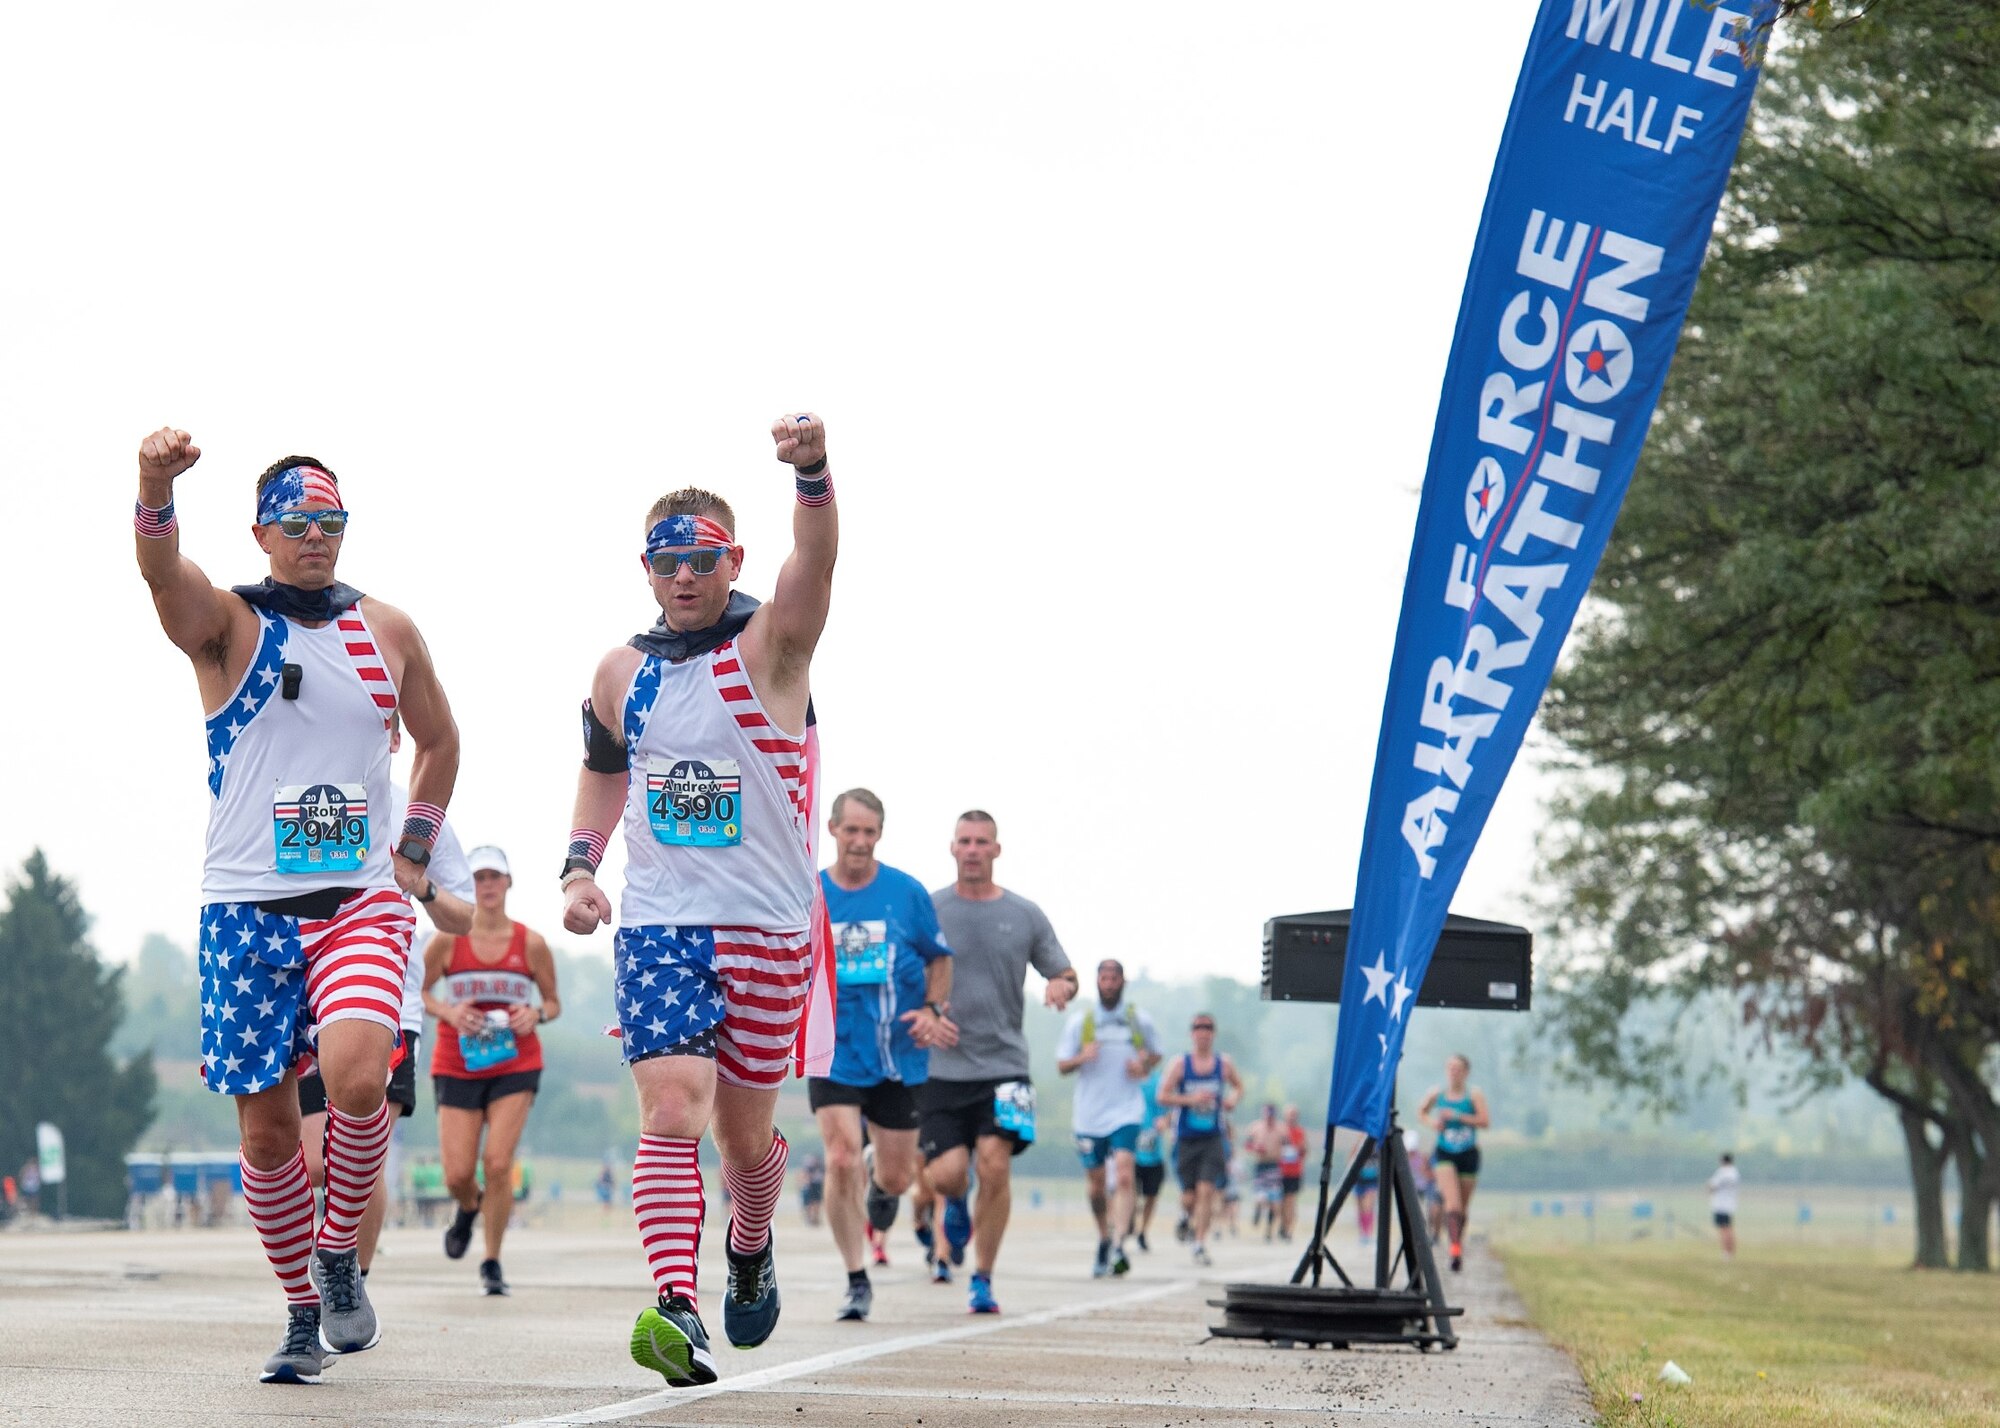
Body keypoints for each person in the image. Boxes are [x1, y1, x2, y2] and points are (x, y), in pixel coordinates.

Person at [133, 430, 458, 1384]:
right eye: (296, 522)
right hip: (245, 907)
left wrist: (412, 851)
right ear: (263, 533)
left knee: (359, 1080)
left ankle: (335, 1255)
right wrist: (154, 485)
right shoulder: (230, 626)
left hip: (357, 901)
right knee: (268, 1135)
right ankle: (299, 1309)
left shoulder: (388, 631)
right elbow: (161, 576)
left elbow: (440, 742)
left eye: (330, 521)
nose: (315, 537)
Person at [558, 414, 838, 1387]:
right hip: (660, 926)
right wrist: (579, 868)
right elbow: (601, 776)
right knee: (672, 1106)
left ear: (732, 560)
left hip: (766, 928)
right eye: (666, 559)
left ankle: (749, 1243)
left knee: (744, 1137)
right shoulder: (616, 674)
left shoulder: (772, 648)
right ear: (644, 566)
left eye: (702, 558)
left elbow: (814, 564)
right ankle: (675, 1305)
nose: (684, 575)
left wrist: (811, 473)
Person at [297, 719, 475, 1283]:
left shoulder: (416, 812)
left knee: (359, 1152)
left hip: (391, 1005)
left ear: (394, 740)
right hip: (304, 1000)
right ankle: (319, 1274)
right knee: (311, 1161)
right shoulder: (298, 797)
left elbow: (463, 916)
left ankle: (350, 1284)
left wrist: (418, 883)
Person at [922, 811, 1077, 1314]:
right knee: (947, 1177)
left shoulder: (1025, 914)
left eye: (981, 841)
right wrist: (922, 1015)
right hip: (940, 1067)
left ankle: (982, 1279)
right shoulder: (929, 908)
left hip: (1006, 1065)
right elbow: (897, 971)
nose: (972, 849)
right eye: (964, 841)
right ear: (952, 848)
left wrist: (1060, 984)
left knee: (996, 1166)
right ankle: (955, 1205)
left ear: (996, 850)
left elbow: (1067, 973)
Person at [811, 786, 955, 1321]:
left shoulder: (906, 893)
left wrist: (934, 1010)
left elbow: (940, 959)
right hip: (834, 1049)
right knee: (839, 1156)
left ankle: (881, 1176)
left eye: (869, 832)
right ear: (832, 830)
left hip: (898, 1055)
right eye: (851, 830)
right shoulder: (811, 891)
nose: (860, 841)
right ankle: (856, 1278)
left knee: (897, 1178)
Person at [424, 846, 559, 1296]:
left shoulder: (531, 943)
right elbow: (420, 993)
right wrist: (448, 1011)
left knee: (498, 1163)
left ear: (508, 883)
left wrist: (533, 1015)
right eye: (478, 877)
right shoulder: (447, 939)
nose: (486, 886)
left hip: (515, 1064)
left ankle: (491, 1261)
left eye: (494, 877)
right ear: (468, 883)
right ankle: (467, 1207)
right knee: (458, 1174)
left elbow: (553, 1004)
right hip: (457, 1063)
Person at [1055, 959, 1161, 1278]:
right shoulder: (1082, 1022)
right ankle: (1103, 1236)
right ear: (1097, 982)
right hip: (1089, 1114)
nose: (1110, 983)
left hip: (1126, 1110)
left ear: (1123, 982)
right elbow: (1061, 1065)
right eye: (1104, 977)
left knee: (1126, 1174)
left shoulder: (1137, 1021)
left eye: (1115, 977)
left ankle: (1119, 1244)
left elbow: (1155, 1055)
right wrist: (1082, 1058)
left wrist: (1143, 1067)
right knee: (1096, 1183)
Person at [1157, 1013, 1242, 1266]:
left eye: (1208, 1028)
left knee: (1207, 1190)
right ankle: (1184, 1215)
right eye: (1198, 1028)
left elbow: (1238, 1087)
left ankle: (1200, 1243)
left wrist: (1231, 1101)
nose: (1203, 1032)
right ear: (1191, 1033)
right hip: (1186, 1138)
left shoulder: (1223, 1064)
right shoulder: (1180, 1065)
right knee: (1190, 1195)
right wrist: (1191, 1100)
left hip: (1213, 1137)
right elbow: (1162, 1096)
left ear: (1213, 1033)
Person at [1419, 1053, 1490, 1272]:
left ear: (1466, 1072)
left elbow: (1485, 1122)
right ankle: (1455, 1252)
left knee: (1463, 1209)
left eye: (1458, 1068)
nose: (1454, 1072)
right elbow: (1422, 1112)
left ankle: (1457, 1243)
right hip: (1444, 1153)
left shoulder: (1473, 1095)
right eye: (1450, 1067)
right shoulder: (1437, 1094)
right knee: (1453, 1205)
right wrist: (1433, 1123)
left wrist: (1458, 1117)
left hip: (1468, 1154)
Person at [1131, 1068, 1169, 1252]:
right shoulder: (1127, 1077)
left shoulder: (1160, 1081)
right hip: (1130, 1148)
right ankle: (1126, 1221)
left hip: (1154, 1150)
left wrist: (1165, 1121)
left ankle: (1142, 1231)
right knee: (1128, 1191)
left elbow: (1171, 1109)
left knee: (1151, 1196)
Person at [1244, 1105, 1285, 1241]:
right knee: (1261, 1197)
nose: (1269, 1119)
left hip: (1274, 1166)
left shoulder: (1281, 1130)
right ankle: (1257, 1210)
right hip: (1260, 1166)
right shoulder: (1255, 1127)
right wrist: (1255, 1147)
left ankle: (1269, 1230)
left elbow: (1289, 1147)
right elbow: (1247, 1145)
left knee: (1273, 1202)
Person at [1276, 1105, 1309, 1242]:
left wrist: (1301, 1148)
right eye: (1289, 1114)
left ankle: (1289, 1229)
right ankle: (1282, 1226)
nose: (1291, 1117)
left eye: (1294, 1114)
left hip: (1294, 1172)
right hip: (1280, 1171)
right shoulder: (1280, 1131)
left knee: (1290, 1200)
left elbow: (1305, 1151)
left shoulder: (1300, 1132)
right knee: (1280, 1202)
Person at [1708, 1152, 1739, 1258]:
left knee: (1723, 1229)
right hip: (1730, 1204)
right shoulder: (1734, 1172)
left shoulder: (1722, 1172)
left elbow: (1712, 1186)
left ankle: (1725, 1252)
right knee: (1729, 1228)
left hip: (1720, 1204)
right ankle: (1731, 1251)